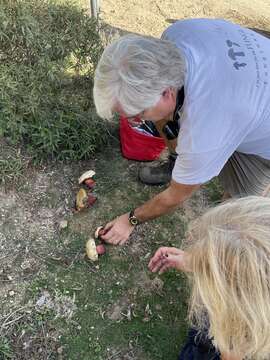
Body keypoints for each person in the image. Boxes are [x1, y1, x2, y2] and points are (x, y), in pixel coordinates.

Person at [93, 18, 270, 245]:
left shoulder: (205, 127)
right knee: (168, 120)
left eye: (138, 113)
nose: (135, 121)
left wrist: (130, 220)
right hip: (247, 97)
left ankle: (220, 246)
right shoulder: (177, 35)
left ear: (167, 92)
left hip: (262, 136)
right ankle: (179, 164)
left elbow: (178, 196)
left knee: (236, 209)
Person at [148, 196, 270, 360]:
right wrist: (196, 262)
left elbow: (231, 348)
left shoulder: (241, 335)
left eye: (212, 270)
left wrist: (228, 343)